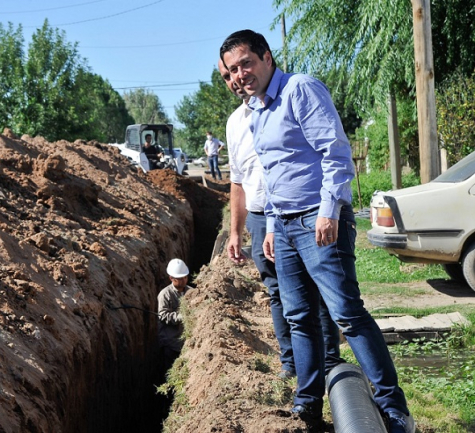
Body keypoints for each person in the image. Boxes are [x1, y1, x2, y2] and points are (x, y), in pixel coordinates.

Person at [220, 30, 414, 433]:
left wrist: (329, 211)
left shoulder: (300, 90)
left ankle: (394, 410)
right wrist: (272, 226)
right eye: (232, 70)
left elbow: (336, 152)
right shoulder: (256, 111)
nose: (240, 74)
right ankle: (307, 404)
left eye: (246, 64)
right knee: (298, 317)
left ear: (266, 58)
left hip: (318, 221)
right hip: (286, 226)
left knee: (347, 314)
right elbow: (273, 175)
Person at [218, 59, 343, 381]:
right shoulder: (234, 123)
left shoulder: (285, 101)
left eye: (239, 69)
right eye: (227, 75)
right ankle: (291, 364)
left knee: (319, 291)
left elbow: (328, 150)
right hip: (262, 218)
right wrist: (235, 232)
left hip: (302, 213)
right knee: (278, 293)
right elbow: (237, 180)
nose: (235, 79)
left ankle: (329, 362)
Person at [157, 258, 191, 368]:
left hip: (187, 343)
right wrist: (181, 316)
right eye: (180, 278)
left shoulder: (191, 292)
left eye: (185, 277)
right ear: (171, 278)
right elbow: (163, 315)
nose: (183, 280)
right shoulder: (165, 294)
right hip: (170, 343)